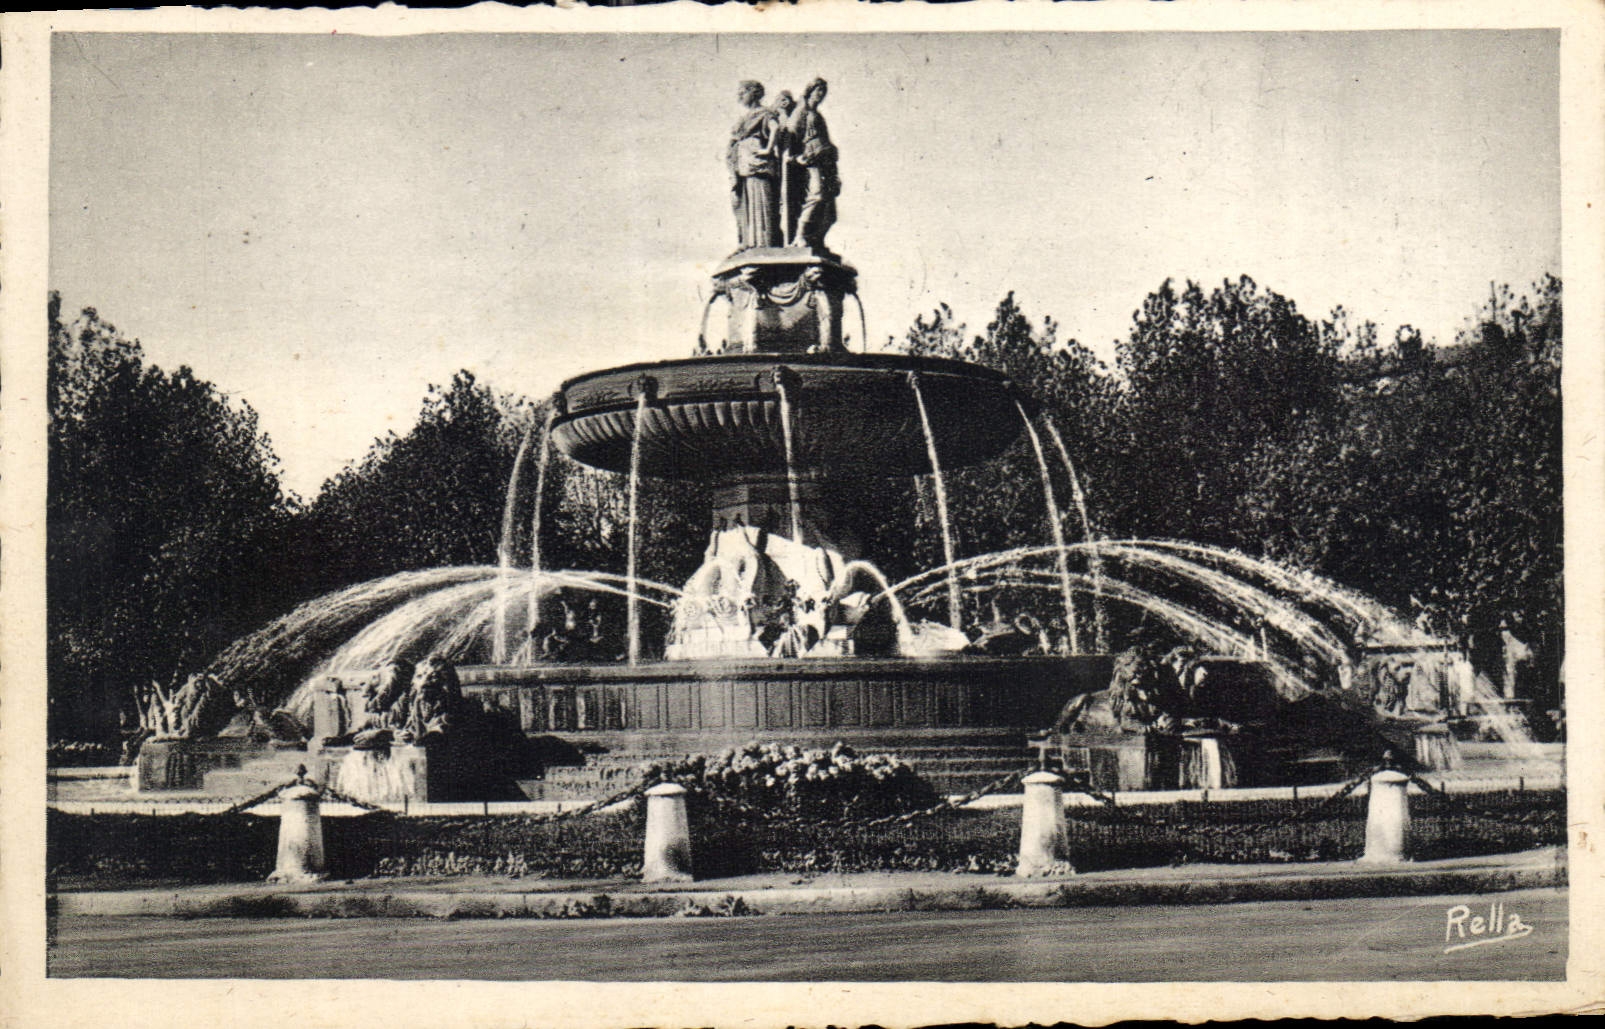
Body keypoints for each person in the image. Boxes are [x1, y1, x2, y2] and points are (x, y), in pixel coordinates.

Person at [786, 78, 839, 251]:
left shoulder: (817, 115)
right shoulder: (801, 111)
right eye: (818, 91)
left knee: (830, 211)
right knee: (817, 195)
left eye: (823, 92)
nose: (820, 95)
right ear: (810, 91)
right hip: (811, 160)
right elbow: (791, 136)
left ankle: (816, 240)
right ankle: (800, 235)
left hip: (826, 161)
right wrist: (795, 157)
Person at [728, 80, 781, 249]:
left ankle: (761, 243)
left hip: (756, 163)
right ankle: (748, 242)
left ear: (754, 93)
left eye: (743, 92)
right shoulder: (744, 117)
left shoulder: (764, 113)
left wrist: (768, 149)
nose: (739, 96)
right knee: (743, 202)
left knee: (759, 200)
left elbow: (775, 128)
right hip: (742, 164)